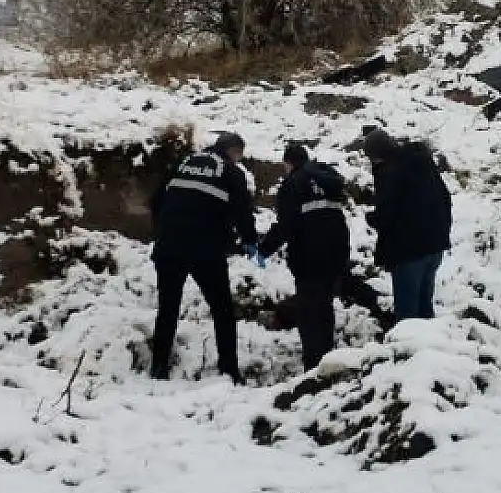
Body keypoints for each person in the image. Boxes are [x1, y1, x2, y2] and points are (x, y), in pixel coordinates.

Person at [148, 131, 258, 382]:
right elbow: (242, 211)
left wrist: (164, 230)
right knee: (222, 310)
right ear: (233, 151)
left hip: (169, 246)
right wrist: (250, 241)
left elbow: (156, 201)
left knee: (167, 309)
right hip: (205, 249)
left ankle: (158, 368)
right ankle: (229, 370)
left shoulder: (184, 162)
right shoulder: (230, 172)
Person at [259, 142, 351, 370]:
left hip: (309, 256)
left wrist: (263, 249)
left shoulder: (293, 183)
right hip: (336, 251)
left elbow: (287, 224)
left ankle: (314, 368)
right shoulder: (327, 179)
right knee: (325, 307)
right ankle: (328, 360)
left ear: (288, 163)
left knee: (309, 311)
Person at [363, 128, 452, 321]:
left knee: (407, 315)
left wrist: (371, 218)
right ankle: (430, 339)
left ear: (378, 155)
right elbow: (445, 197)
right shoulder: (422, 162)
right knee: (425, 309)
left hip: (409, 251)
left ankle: (409, 341)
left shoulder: (391, 171)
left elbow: (386, 213)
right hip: (435, 245)